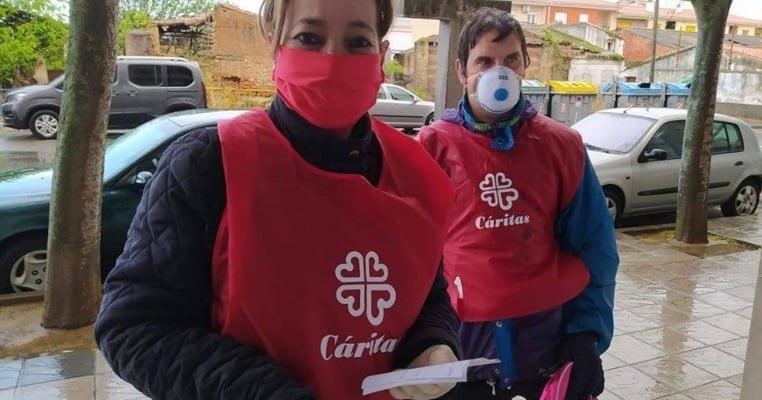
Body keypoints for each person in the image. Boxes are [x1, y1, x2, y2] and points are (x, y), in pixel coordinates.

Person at [95, 0, 462, 399]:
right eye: (309, 37)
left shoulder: (419, 176)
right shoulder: (209, 163)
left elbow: (429, 293)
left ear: (382, 56)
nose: (332, 59)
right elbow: (134, 327)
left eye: (357, 41)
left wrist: (434, 344)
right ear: (275, 44)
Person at [418, 8, 619, 400]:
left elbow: (594, 246)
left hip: (542, 348)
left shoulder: (561, 147)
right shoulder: (431, 148)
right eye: (485, 62)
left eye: (511, 60)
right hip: (461, 351)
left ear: (525, 65)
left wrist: (585, 334)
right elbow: (408, 258)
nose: (500, 71)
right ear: (462, 71)